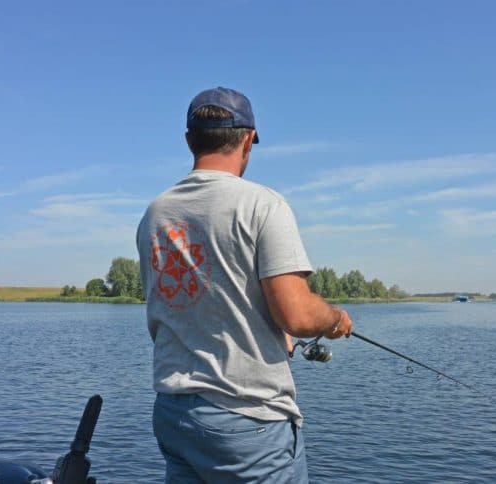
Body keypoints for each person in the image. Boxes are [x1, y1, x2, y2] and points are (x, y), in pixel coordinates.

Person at [136, 86, 352, 483]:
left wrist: (270, 335)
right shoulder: (262, 204)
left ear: (189, 140)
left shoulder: (156, 214)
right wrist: (335, 318)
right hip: (248, 420)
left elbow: (186, 304)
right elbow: (298, 314)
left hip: (174, 412)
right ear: (249, 139)